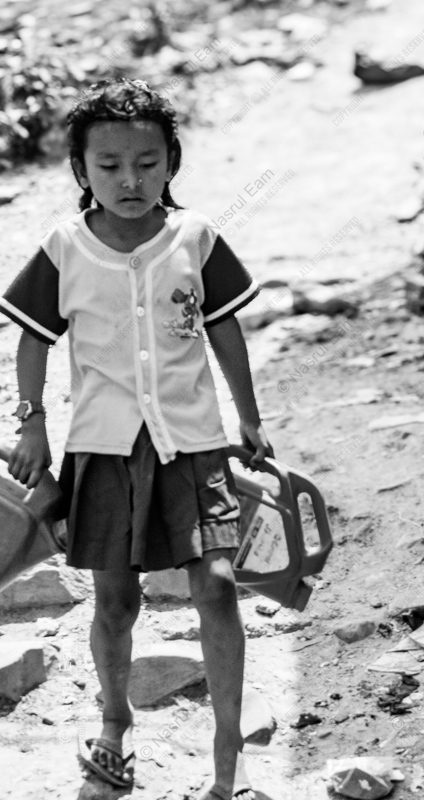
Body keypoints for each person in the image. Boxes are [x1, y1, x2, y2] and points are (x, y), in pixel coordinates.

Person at [0, 78, 273, 800]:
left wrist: (249, 416)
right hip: (103, 448)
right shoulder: (64, 247)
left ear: (171, 162)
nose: (130, 179)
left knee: (216, 586)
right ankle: (116, 722)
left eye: (147, 163)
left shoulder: (196, 237)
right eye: (110, 165)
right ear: (81, 170)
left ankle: (229, 751)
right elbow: (31, 338)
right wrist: (32, 422)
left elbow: (224, 327)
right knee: (116, 602)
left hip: (193, 441)